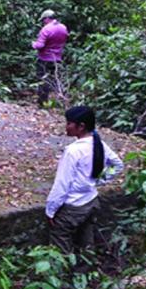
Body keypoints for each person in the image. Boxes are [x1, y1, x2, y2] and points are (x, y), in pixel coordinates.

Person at [46, 106, 124, 254]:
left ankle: (63, 272)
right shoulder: (98, 144)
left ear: (81, 126)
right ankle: (87, 271)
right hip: (91, 201)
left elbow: (62, 184)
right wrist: (98, 181)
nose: (66, 127)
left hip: (74, 206)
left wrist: (51, 210)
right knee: (86, 241)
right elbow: (117, 165)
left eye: (69, 123)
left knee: (59, 240)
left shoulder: (73, 151)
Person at [31, 9, 69, 106]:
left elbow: (40, 45)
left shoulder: (46, 29)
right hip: (57, 59)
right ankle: (61, 101)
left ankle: (43, 102)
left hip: (44, 59)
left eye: (43, 19)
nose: (43, 22)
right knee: (56, 79)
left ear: (47, 18)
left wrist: (34, 44)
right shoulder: (63, 27)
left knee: (43, 80)